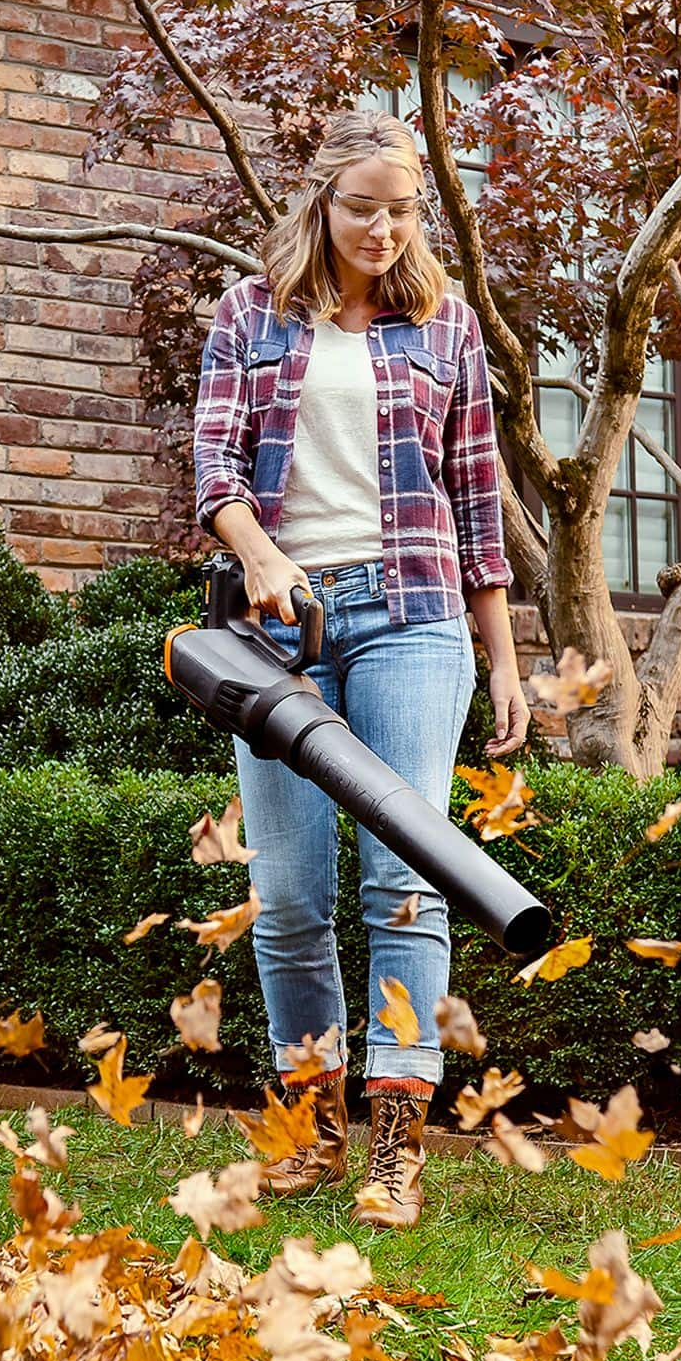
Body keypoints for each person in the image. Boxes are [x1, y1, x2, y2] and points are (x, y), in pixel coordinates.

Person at [192, 109, 531, 1230]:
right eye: (360, 207)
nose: (381, 229)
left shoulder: (444, 327)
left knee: (404, 876)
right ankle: (307, 1128)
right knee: (288, 894)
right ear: (318, 204)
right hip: (277, 629)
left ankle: (396, 1143)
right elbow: (213, 466)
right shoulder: (248, 313)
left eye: (401, 210)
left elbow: (476, 504)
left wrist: (504, 663)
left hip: (413, 618)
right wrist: (260, 556)